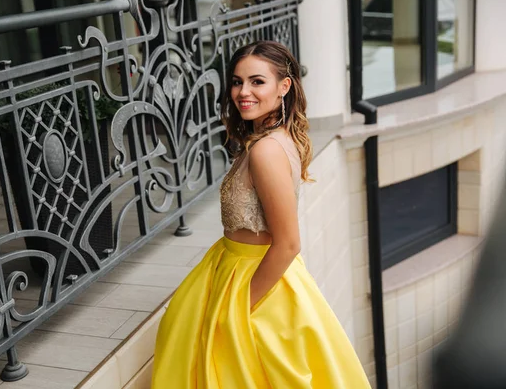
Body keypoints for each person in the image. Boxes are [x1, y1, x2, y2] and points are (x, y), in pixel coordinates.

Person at [151, 41, 370, 388]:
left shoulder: (266, 150)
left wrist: (237, 310)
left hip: (255, 278)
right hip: (232, 269)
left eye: (257, 81)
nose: (243, 92)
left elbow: (288, 243)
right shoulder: (270, 140)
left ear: (284, 86)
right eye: (237, 82)